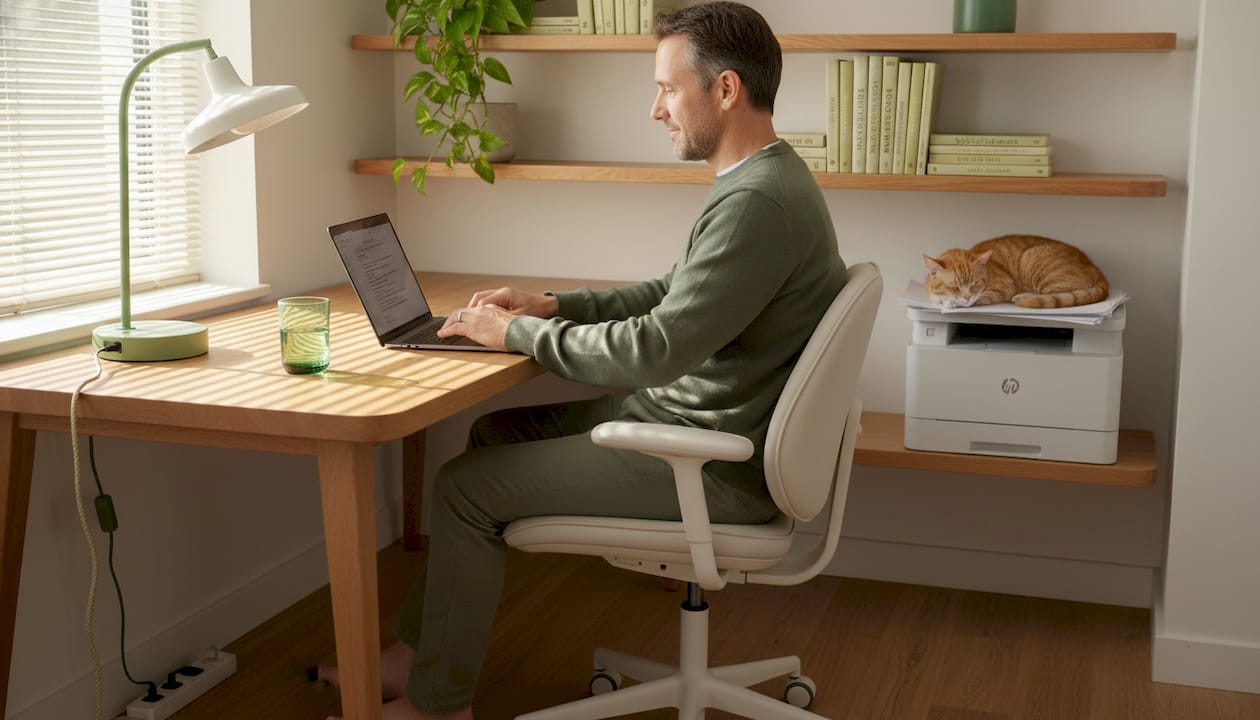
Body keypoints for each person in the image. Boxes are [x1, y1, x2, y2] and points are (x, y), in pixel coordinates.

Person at [319, 3, 846, 718]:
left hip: (710, 462)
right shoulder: (762, 182)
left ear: (724, 91)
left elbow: (658, 348)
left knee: (465, 491)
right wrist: (553, 306)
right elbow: (673, 294)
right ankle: (416, 656)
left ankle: (439, 705)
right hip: (700, 426)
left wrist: (515, 337)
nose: (655, 107)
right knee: (493, 436)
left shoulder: (759, 201)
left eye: (667, 88)